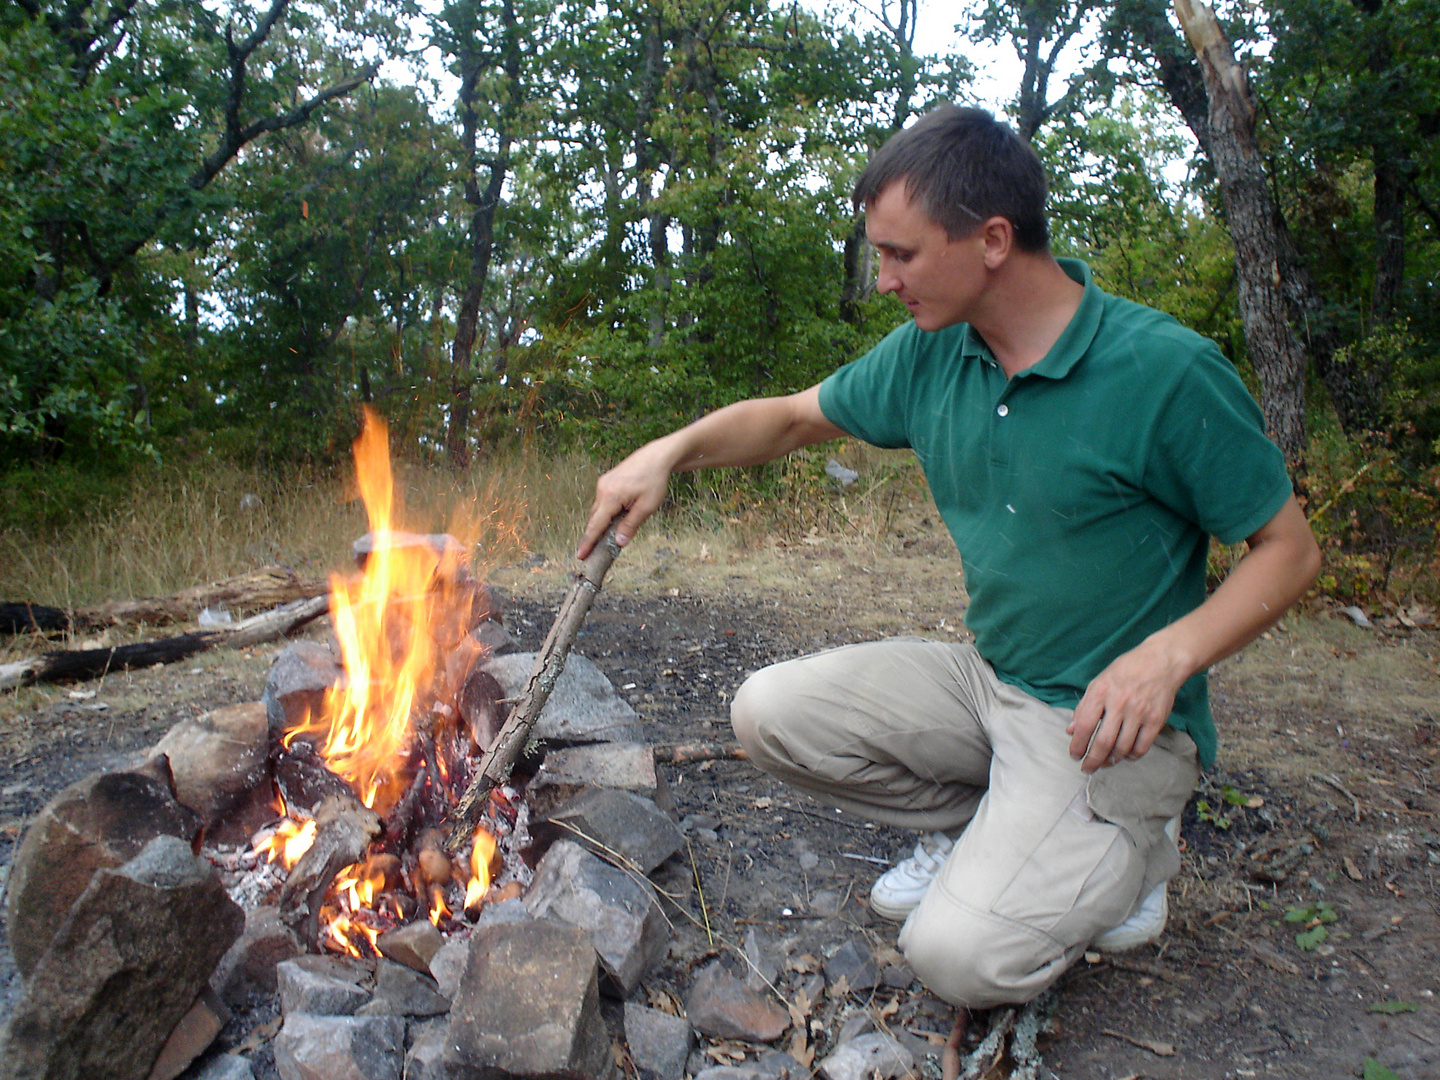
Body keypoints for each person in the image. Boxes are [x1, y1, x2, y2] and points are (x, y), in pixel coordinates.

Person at [577, 105, 1321, 1016]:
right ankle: (989, 827)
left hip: (1108, 728)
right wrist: (670, 451)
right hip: (988, 685)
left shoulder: (1163, 371)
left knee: (956, 957)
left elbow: (1289, 551)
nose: (883, 280)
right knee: (766, 711)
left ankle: (1140, 850)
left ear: (994, 239)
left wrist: (1166, 659)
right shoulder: (935, 353)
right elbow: (794, 417)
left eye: (901, 254)